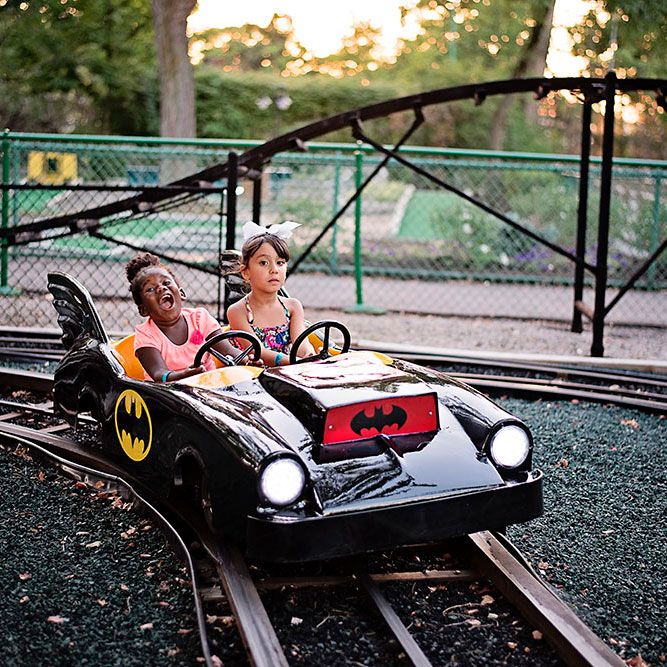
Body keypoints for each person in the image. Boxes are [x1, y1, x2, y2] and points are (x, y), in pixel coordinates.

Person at [126, 252, 259, 382]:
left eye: (166, 283)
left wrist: (247, 361)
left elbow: (228, 351)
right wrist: (184, 375)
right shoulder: (146, 335)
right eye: (150, 289)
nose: (161, 288)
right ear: (143, 310)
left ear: (181, 293)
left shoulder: (199, 319)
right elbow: (159, 374)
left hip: (209, 388)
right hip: (169, 394)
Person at [226, 221, 315, 366]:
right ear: (246, 272)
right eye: (264, 263)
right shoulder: (237, 311)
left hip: (289, 374)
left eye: (280, 263)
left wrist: (308, 354)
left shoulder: (293, 307)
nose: (274, 270)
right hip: (253, 379)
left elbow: (301, 343)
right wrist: (295, 361)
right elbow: (257, 351)